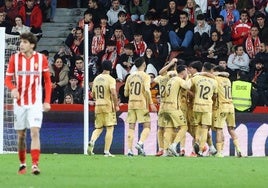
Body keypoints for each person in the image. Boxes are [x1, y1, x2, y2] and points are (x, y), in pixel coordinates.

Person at [5, 32, 52, 175]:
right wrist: (13, 89)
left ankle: (35, 165)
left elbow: (48, 81)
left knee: (35, 132)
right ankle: (22, 163)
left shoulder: (41, 58)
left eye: (25, 42)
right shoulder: (14, 59)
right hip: (19, 103)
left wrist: (47, 101)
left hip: (35, 103)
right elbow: (7, 79)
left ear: (32, 44)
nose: (21, 45)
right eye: (21, 42)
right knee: (21, 135)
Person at [124, 57, 157, 156]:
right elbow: (147, 90)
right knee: (147, 126)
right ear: (144, 65)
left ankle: (129, 150)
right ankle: (140, 143)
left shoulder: (130, 76)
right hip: (142, 103)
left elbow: (125, 93)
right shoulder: (146, 76)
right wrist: (151, 103)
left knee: (131, 127)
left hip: (131, 104)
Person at [87, 60, 120, 157]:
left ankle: (92, 141)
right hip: (107, 105)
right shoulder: (111, 79)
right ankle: (106, 151)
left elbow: (92, 94)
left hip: (98, 105)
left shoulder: (97, 78)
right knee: (110, 128)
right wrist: (116, 105)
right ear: (111, 68)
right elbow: (113, 93)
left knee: (98, 127)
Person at [188, 62, 218, 156]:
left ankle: (196, 141)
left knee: (197, 126)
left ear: (203, 69)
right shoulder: (214, 81)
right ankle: (200, 150)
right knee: (205, 128)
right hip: (207, 106)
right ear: (211, 70)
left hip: (196, 105)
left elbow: (186, 86)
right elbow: (215, 95)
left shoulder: (196, 78)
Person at [212, 65, 242, 157]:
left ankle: (219, 152)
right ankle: (238, 149)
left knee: (219, 129)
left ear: (216, 71)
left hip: (221, 106)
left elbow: (215, 95)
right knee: (231, 129)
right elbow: (226, 74)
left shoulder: (216, 79)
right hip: (230, 106)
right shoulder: (228, 80)